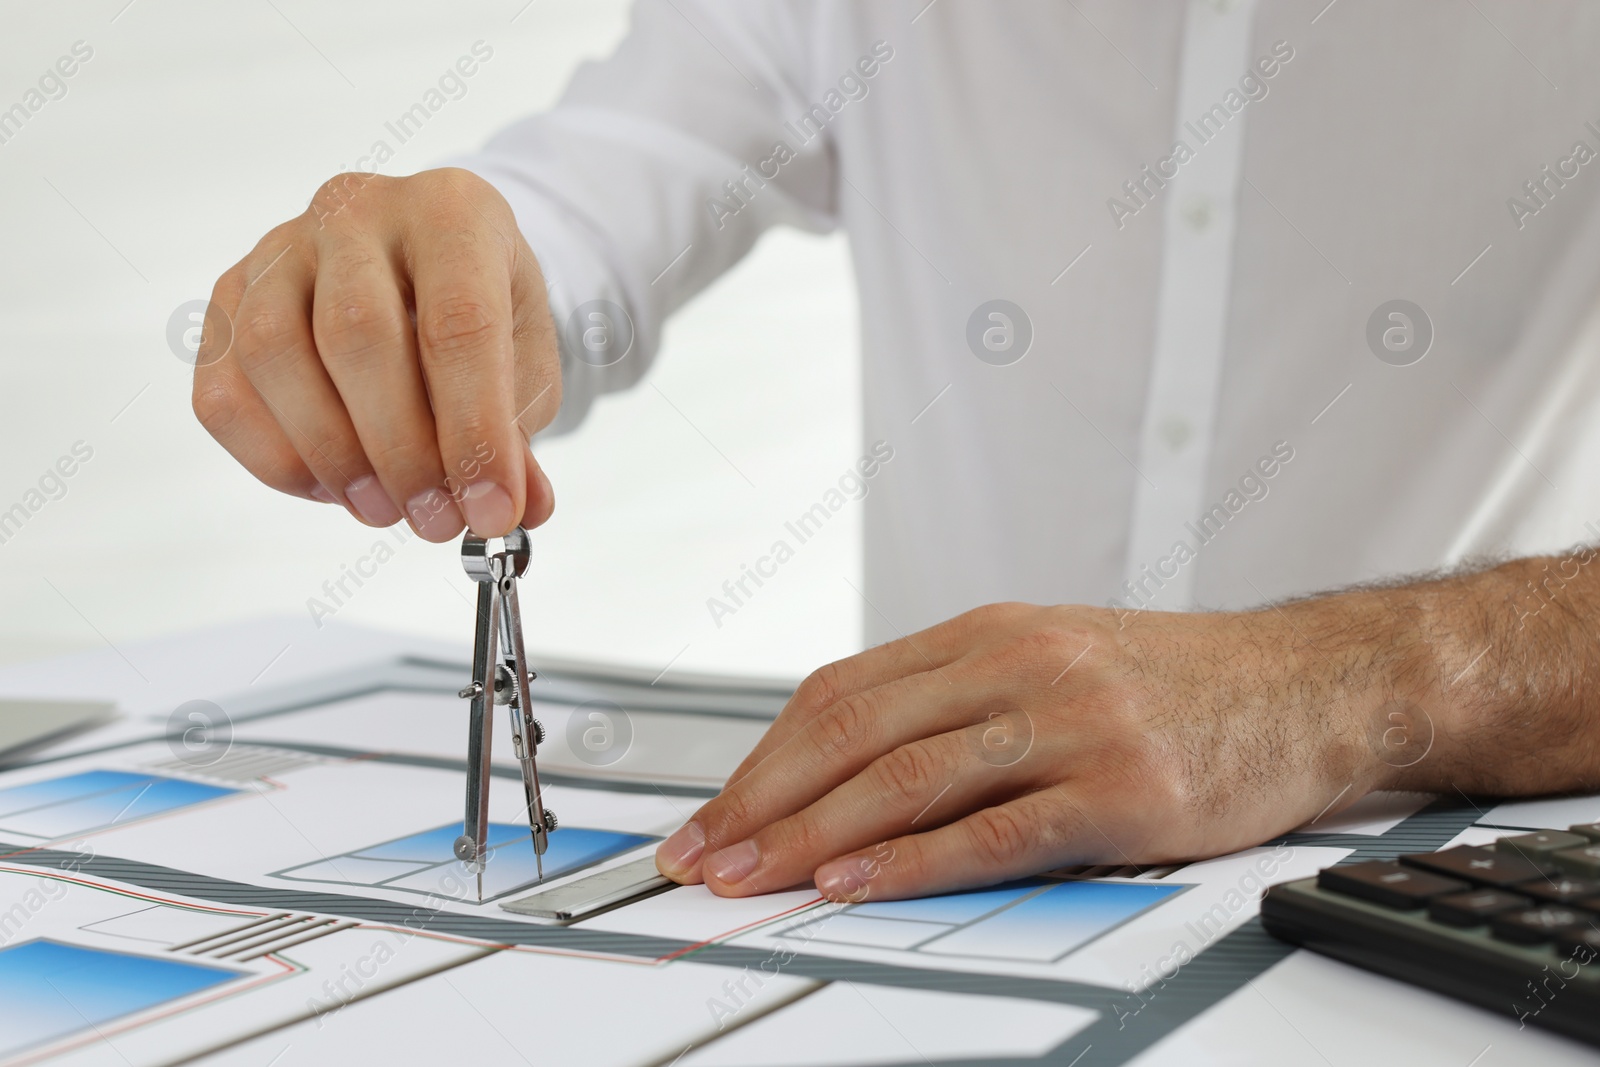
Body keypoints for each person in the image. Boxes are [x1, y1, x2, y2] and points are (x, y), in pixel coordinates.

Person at [192, 1, 1600, 902]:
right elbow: (589, 200)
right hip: (918, 904)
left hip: (1443, 902)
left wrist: (1334, 684)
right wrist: (434, 275)